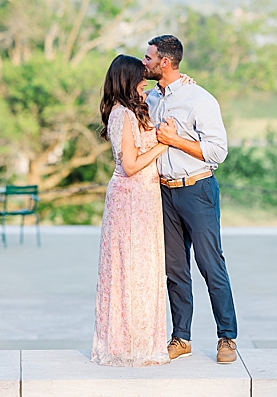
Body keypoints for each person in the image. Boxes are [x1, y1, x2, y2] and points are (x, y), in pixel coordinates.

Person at [143, 34, 238, 364]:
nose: (145, 62)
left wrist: (176, 139)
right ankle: (181, 337)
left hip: (198, 190)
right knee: (175, 269)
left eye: (149, 58)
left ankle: (227, 337)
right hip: (164, 193)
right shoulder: (152, 99)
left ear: (164, 62)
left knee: (211, 265)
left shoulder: (200, 100)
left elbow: (217, 151)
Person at [91, 54, 170, 366]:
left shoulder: (136, 106)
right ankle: (127, 345)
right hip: (130, 199)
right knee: (129, 270)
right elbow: (131, 164)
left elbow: (164, 89)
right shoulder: (122, 114)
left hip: (147, 198)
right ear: (128, 80)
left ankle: (144, 341)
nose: (145, 80)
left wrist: (185, 82)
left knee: (147, 270)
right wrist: (165, 143)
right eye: (140, 76)